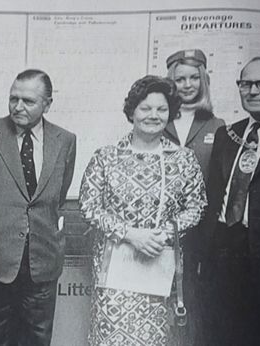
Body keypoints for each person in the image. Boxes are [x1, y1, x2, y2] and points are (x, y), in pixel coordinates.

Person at [79, 75, 206, 346]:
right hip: (115, 273)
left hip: (161, 270)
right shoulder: (107, 157)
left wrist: (165, 234)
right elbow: (88, 206)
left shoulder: (184, 160)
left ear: (170, 113)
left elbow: (197, 206)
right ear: (132, 111)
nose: (153, 115)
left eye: (161, 109)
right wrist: (130, 234)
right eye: (145, 108)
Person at [0, 69, 76, 346]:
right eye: (13, 98)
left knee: (36, 339)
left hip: (42, 260)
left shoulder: (65, 140)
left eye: (28, 101)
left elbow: (57, 196)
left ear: (47, 104)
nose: (18, 107)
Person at [202, 57, 260, 346]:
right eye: (246, 83)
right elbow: (212, 200)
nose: (253, 91)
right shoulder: (226, 136)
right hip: (221, 264)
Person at [164, 49, 225, 345]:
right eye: (179, 79)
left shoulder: (218, 126)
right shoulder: (156, 120)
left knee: (197, 305)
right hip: (161, 232)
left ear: (203, 80)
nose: (187, 85)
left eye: (193, 78)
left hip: (201, 234)